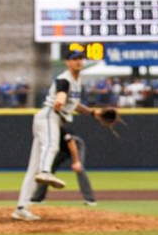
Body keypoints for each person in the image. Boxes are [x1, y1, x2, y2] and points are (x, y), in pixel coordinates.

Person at [14, 50, 110, 221]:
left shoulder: (77, 80)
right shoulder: (65, 79)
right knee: (52, 146)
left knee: (32, 169)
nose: (78, 61)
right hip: (50, 116)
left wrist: (93, 112)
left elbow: (74, 103)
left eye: (81, 58)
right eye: (74, 59)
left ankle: (21, 207)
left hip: (49, 118)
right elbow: (61, 95)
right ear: (67, 62)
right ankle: (45, 172)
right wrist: (59, 100)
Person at [30, 126, 98, 207]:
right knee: (47, 170)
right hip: (62, 148)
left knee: (79, 168)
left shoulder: (59, 129)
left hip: (75, 145)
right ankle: (38, 198)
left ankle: (90, 200)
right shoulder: (44, 133)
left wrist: (76, 161)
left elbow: (71, 143)